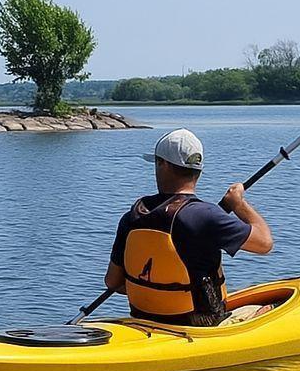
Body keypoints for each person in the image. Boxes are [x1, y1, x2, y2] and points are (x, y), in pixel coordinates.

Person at [103, 129, 274, 326]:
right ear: (198, 171)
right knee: (274, 305)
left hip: (144, 320)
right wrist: (238, 204)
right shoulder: (206, 216)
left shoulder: (134, 216)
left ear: (162, 164)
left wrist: (157, 295)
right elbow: (264, 243)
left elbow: (113, 282)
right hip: (199, 326)